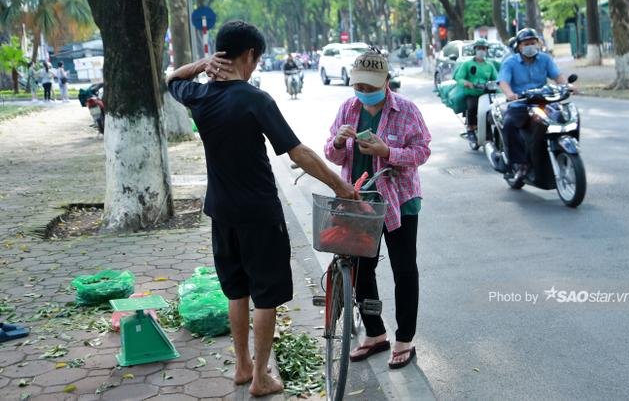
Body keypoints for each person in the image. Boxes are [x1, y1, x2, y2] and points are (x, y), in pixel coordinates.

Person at [166, 20, 357, 396]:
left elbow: (171, 79)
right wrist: (340, 186)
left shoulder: (199, 96)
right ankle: (260, 377)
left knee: (236, 291)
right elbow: (298, 153)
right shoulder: (255, 100)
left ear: (219, 55)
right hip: (258, 213)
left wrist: (202, 65)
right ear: (250, 55)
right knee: (265, 295)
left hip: (221, 212)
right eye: (256, 59)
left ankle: (241, 367)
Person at [324, 50, 431, 369]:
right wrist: (340, 143)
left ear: (386, 81)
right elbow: (332, 154)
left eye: (371, 86)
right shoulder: (347, 108)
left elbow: (422, 151)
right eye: (359, 86)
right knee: (361, 270)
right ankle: (375, 333)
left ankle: (405, 339)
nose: (365, 92)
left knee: (403, 269)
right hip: (359, 200)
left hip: (400, 202)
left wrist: (388, 151)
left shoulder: (406, 110)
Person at [498, 28, 571, 181]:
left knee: (564, 118)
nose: (530, 46)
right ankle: (520, 164)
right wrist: (510, 94)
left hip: (544, 102)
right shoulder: (510, 62)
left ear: (538, 43)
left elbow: (557, 76)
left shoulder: (545, 59)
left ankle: (563, 148)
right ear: (519, 46)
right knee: (509, 124)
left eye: (533, 42)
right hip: (521, 104)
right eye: (526, 43)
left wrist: (567, 86)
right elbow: (503, 81)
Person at [453, 39, 498, 143]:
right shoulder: (467, 64)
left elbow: (496, 79)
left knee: (492, 111)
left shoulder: (489, 65)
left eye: (483, 48)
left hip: (486, 94)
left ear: (486, 50)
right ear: (475, 50)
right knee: (472, 107)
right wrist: (467, 83)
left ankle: (489, 133)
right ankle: (470, 129)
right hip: (472, 93)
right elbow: (459, 77)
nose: (481, 51)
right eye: (479, 48)